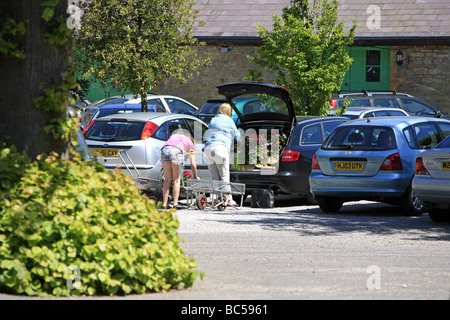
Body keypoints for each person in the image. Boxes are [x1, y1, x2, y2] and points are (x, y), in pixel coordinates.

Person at [204, 103, 241, 206]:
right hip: (220, 148)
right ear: (229, 111)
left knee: (214, 175)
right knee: (224, 175)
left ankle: (214, 198)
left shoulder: (213, 119)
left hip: (208, 148)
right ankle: (228, 199)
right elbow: (237, 134)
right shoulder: (229, 120)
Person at [161, 129, 199, 209]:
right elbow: (193, 163)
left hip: (164, 150)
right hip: (176, 152)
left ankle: (164, 204)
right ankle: (175, 203)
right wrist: (195, 176)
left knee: (167, 179)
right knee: (176, 180)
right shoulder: (190, 142)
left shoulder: (174, 136)